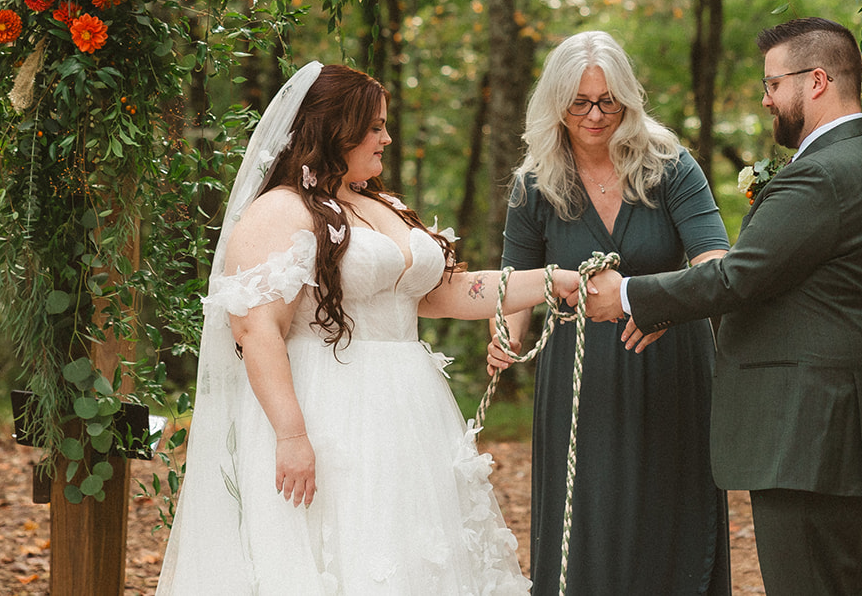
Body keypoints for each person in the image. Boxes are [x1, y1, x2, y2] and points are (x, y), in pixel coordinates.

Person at [157, 62, 578, 595]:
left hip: (410, 411)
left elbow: (448, 293)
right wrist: (291, 435)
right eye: (375, 126)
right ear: (336, 127)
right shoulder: (278, 212)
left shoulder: (383, 206)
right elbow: (257, 329)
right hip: (329, 408)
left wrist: (555, 280)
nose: (387, 137)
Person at [584, 17, 862, 596]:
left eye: (773, 85)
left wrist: (633, 294)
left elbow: (741, 276)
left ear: (816, 81)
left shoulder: (823, 176)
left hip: (810, 430)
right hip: (845, 424)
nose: (766, 100)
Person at [489, 30, 731, 596]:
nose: (595, 115)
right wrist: (504, 333)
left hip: (669, 359)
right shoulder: (534, 185)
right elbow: (514, 281)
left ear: (627, 99)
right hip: (581, 377)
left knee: (669, 511)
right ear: (556, 104)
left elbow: (716, 261)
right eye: (580, 102)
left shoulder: (671, 166)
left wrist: (656, 304)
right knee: (587, 518)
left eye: (608, 101)